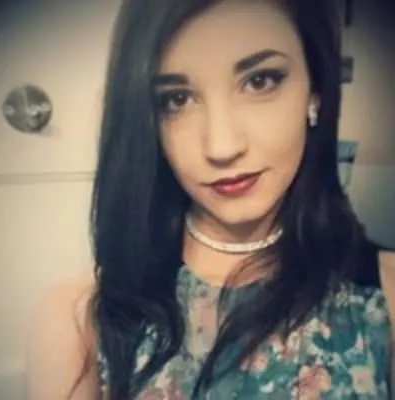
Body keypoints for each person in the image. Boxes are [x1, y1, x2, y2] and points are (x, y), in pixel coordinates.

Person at [27, 0, 395, 399]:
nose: (221, 146)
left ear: (315, 91)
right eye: (177, 99)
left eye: (260, 81)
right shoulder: (80, 321)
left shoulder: (385, 298)